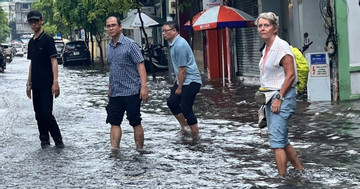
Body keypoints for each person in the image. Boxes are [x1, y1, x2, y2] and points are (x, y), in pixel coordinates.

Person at [255, 12, 304, 176]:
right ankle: (299, 170)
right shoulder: (266, 48)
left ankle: (282, 178)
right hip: (270, 98)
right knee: (281, 139)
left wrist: (279, 98)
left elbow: (291, 75)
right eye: (260, 25)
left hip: (282, 98)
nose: (262, 28)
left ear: (274, 28)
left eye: (266, 25)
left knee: (276, 142)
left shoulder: (281, 47)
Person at [105, 16, 148, 151]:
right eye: (108, 26)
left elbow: (140, 65)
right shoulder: (109, 47)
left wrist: (144, 87)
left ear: (120, 27)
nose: (111, 28)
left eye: (113, 25)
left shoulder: (130, 45)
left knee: (135, 121)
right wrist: (110, 88)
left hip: (132, 91)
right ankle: (115, 151)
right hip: (115, 92)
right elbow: (112, 69)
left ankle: (140, 150)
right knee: (114, 121)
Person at [26, 10, 64, 149]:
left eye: (36, 21)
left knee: (46, 113)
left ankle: (58, 140)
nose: (34, 24)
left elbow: (54, 61)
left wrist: (55, 82)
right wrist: (28, 83)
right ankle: (44, 141)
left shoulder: (47, 39)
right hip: (35, 83)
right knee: (38, 114)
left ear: (42, 21)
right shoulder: (31, 42)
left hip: (47, 83)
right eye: (31, 22)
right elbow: (32, 63)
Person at [162, 21, 202, 138]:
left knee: (185, 108)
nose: (164, 33)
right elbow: (180, 67)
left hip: (191, 81)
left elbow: (183, 68)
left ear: (174, 31)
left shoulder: (179, 45)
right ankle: (185, 127)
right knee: (172, 102)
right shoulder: (174, 44)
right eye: (163, 31)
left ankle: (196, 133)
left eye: (166, 31)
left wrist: (179, 87)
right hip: (183, 79)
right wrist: (177, 79)